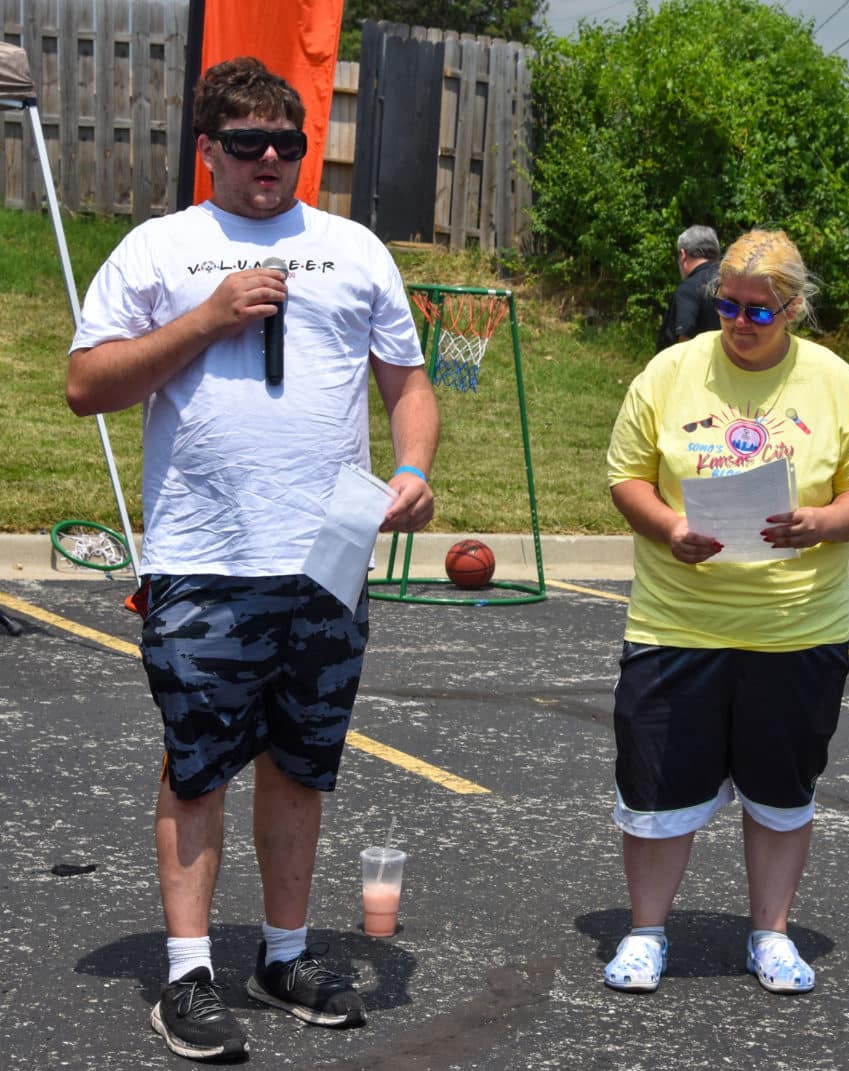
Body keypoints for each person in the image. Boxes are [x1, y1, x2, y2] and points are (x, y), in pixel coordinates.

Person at [66, 57, 440, 1062]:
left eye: (287, 142)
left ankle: (281, 955)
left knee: (301, 764)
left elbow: (406, 384)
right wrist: (206, 318)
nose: (269, 160)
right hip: (206, 553)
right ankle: (188, 973)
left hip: (328, 554)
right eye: (247, 144)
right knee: (196, 769)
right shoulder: (161, 249)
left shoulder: (355, 250)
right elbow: (87, 384)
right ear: (210, 151)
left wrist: (412, 468)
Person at [605, 228, 849, 995]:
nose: (737, 321)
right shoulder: (669, 372)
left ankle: (770, 934)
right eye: (725, 304)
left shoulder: (835, 382)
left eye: (758, 312)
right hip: (675, 622)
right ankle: (644, 932)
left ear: (794, 309)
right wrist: (668, 527)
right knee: (655, 788)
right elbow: (626, 476)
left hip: (795, 629)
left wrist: (821, 523)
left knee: (780, 790)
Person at [655, 225, 722, 351]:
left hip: (696, 365)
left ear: (683, 254)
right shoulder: (731, 281)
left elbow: (684, 339)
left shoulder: (688, 289)